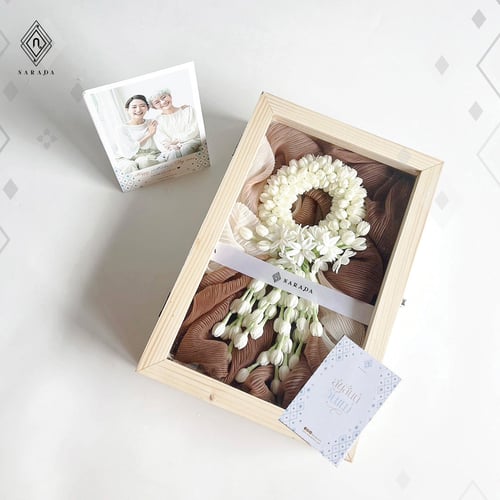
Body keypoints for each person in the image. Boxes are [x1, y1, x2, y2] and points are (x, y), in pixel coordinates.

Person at [149, 89, 201, 162]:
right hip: (171, 148)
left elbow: (194, 130)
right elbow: (161, 140)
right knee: (173, 154)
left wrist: (177, 140)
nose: (163, 102)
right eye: (157, 102)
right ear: (154, 107)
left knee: (186, 150)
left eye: (163, 97)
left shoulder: (188, 110)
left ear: (170, 96)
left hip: (191, 141)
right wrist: (170, 146)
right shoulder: (157, 121)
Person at [115, 94, 160, 173]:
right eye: (134, 107)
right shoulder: (122, 129)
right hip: (126, 158)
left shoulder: (152, 122)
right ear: (127, 110)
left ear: (147, 108)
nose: (138, 110)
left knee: (144, 161)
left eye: (142, 106)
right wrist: (149, 134)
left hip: (148, 155)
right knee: (130, 166)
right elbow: (129, 150)